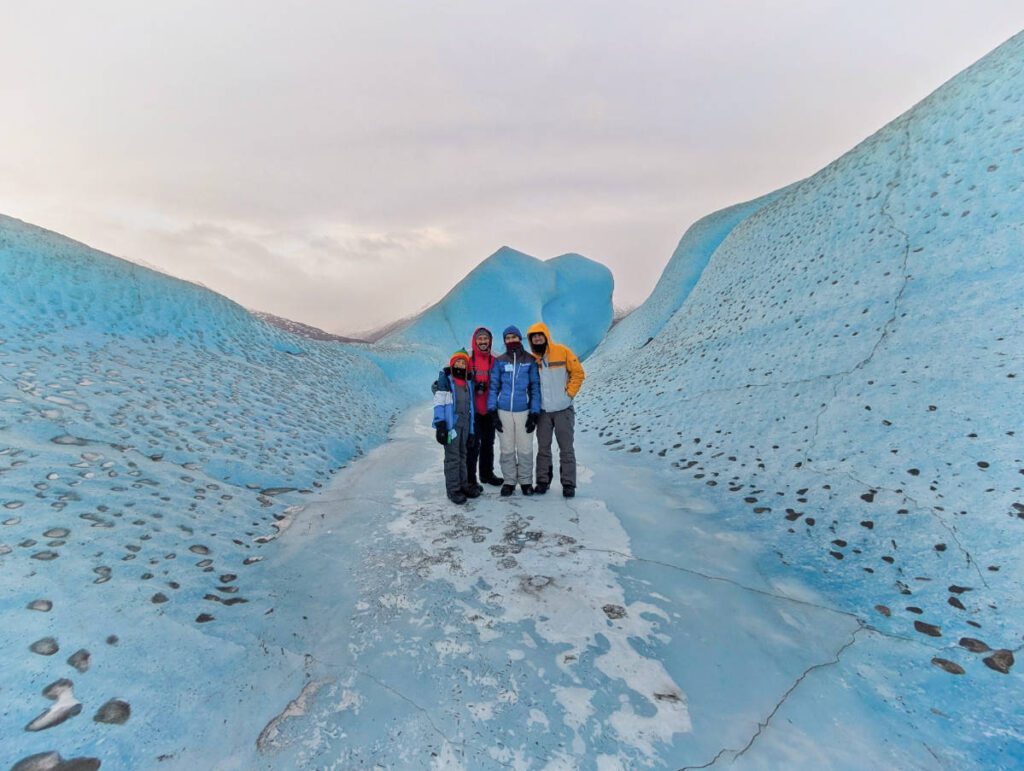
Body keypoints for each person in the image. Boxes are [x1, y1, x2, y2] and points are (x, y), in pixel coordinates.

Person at [526, 322, 585, 497]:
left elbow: (578, 373)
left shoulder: (562, 351)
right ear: (531, 340)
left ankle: (568, 483)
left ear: (545, 335)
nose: (537, 338)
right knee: (543, 448)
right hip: (543, 412)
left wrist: (569, 395)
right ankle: (543, 481)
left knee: (566, 448)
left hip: (563, 410)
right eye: (533, 336)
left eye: (539, 335)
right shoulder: (533, 360)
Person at [487, 326, 541, 497]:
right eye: (507, 338)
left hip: (523, 411)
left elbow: (534, 388)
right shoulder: (500, 361)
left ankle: (525, 481)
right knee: (507, 448)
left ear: (519, 338)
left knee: (525, 448)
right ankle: (509, 481)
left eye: (513, 337)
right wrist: (492, 411)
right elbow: (494, 386)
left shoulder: (530, 360)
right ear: (504, 341)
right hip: (503, 411)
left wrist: (534, 413)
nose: (511, 340)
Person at [432, 350, 480, 505]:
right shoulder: (447, 381)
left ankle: (463, 485)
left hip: (465, 424)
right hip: (451, 425)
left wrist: (472, 432)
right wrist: (440, 424)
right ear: (452, 363)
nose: (461, 365)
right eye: (458, 362)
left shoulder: (468, 382)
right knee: (453, 458)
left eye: (464, 362)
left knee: (463, 455)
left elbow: (471, 407)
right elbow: (439, 403)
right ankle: (453, 489)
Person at [467, 327, 503, 490]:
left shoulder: (495, 359)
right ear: (475, 341)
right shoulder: (468, 357)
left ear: (490, 340)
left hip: (489, 409)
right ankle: (471, 479)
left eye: (485, 339)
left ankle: (487, 474)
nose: (483, 342)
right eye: (480, 339)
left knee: (488, 443)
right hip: (473, 410)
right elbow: (454, 370)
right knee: (473, 445)